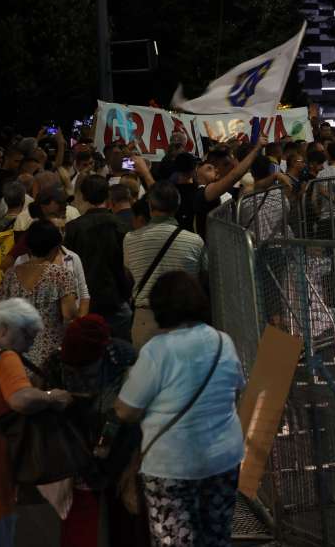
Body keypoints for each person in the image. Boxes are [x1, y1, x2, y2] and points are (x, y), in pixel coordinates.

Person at [114, 272, 245, 547]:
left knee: (174, 540)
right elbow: (235, 390)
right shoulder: (223, 341)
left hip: (171, 465)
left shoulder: (156, 351)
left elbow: (125, 411)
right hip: (223, 457)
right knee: (217, 537)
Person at [0, 298, 72, 546]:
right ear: (4, 329)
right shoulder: (4, 357)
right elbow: (21, 399)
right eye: (28, 336)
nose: (28, 347)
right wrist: (52, 397)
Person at [45, 315, 142, 547]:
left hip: (119, 447)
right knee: (80, 523)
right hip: (77, 454)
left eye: (86, 374)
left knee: (125, 522)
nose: (79, 382)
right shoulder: (54, 363)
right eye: (71, 373)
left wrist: (131, 466)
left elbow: (134, 416)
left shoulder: (124, 358)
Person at [124, 181, 205, 348]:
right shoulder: (195, 242)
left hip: (146, 319)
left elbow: (129, 276)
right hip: (184, 321)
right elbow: (202, 278)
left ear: (150, 206)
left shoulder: (130, 240)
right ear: (177, 206)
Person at [0, 219, 79, 369]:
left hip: (16, 354)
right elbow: (69, 314)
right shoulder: (60, 275)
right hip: (49, 356)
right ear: (55, 247)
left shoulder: (10, 275)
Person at [65, 175, 134, 340]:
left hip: (86, 301)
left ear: (84, 196)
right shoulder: (121, 225)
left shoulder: (73, 228)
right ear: (108, 196)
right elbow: (127, 265)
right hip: (116, 298)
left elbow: (68, 266)